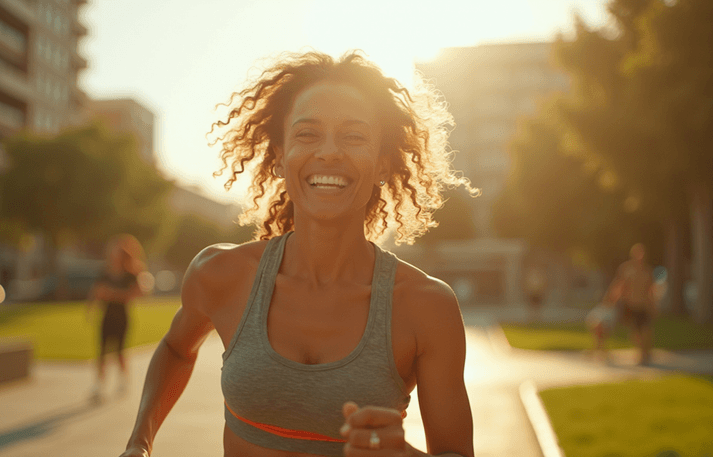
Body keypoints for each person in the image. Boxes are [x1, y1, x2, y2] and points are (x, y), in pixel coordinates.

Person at [119, 51, 476, 457]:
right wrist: (139, 443)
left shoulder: (427, 306)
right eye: (307, 134)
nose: (329, 152)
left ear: (381, 163)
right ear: (279, 157)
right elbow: (175, 349)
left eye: (354, 136)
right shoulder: (220, 273)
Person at [88, 234, 146, 400]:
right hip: (106, 316)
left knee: (120, 351)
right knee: (102, 350)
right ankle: (98, 384)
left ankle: (123, 380)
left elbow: (136, 294)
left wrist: (112, 294)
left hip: (122, 316)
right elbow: (96, 292)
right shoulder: (105, 273)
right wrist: (91, 307)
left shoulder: (130, 275)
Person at [604, 243, 657, 365]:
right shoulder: (626, 269)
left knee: (646, 329)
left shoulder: (647, 270)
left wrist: (653, 305)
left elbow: (651, 290)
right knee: (635, 331)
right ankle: (640, 352)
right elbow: (619, 285)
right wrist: (611, 298)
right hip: (631, 304)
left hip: (644, 304)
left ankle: (646, 353)